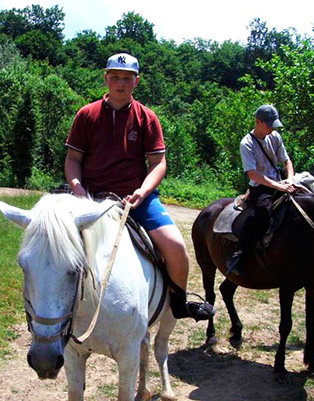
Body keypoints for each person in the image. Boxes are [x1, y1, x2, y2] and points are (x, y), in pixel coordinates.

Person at [64, 53, 214, 321]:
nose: (120, 83)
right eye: (115, 77)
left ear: (136, 81)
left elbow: (158, 164)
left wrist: (142, 192)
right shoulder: (87, 115)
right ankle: (53, 308)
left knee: (175, 245)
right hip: (91, 199)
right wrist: (77, 188)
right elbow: (73, 159)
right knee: (52, 241)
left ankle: (179, 303)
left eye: (126, 78)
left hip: (135, 199)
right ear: (106, 79)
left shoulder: (147, 118)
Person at [226, 105, 295, 276]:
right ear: (258, 122)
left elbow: (287, 161)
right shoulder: (246, 143)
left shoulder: (275, 137)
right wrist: (278, 186)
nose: (273, 128)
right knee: (262, 213)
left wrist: (291, 179)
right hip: (260, 186)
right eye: (269, 124)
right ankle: (239, 254)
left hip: (281, 181)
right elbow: (253, 174)